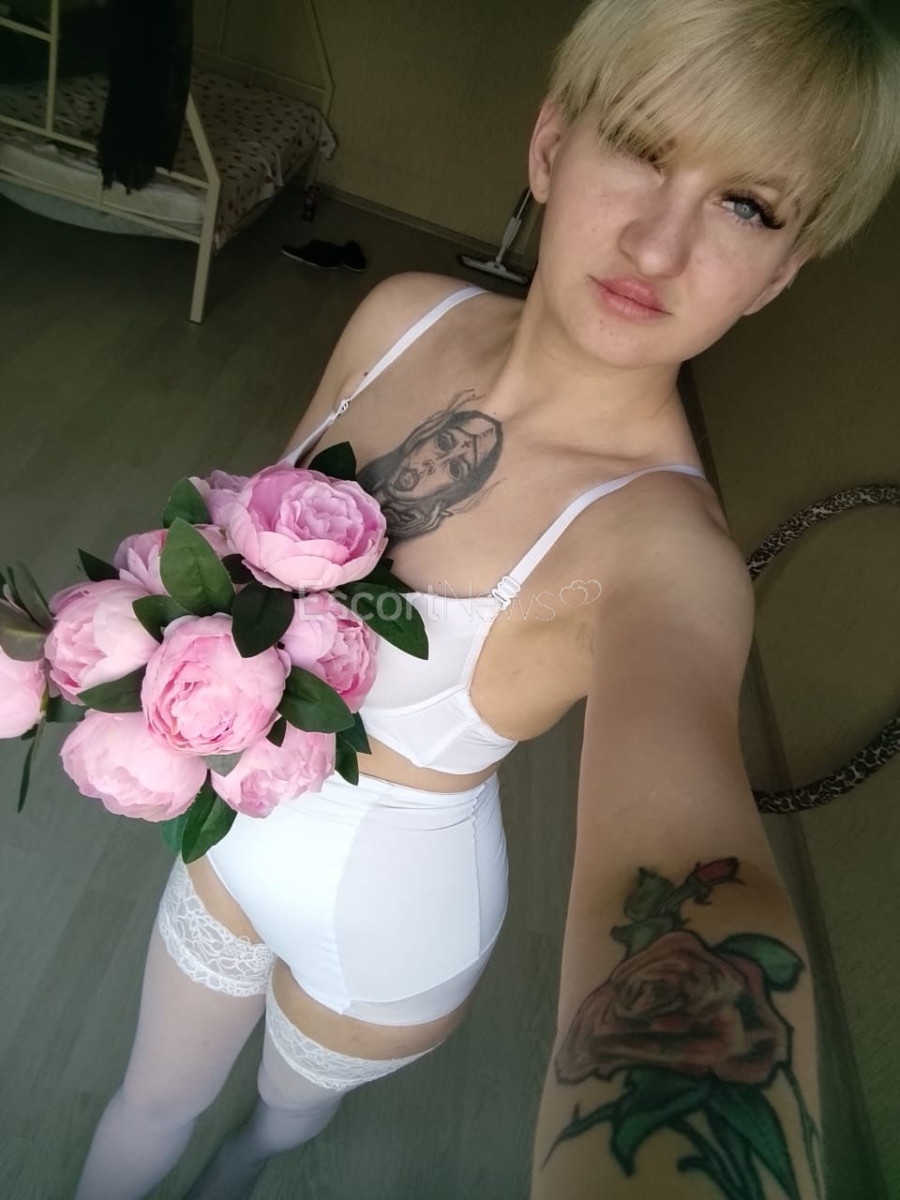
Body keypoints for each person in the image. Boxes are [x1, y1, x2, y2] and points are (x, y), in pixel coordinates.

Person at [74, 1, 900, 1197]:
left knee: (269, 1133)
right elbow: (251, 566)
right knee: (145, 1100)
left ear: (780, 273)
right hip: (232, 831)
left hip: (386, 934)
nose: (658, 243)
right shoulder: (401, 314)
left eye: (747, 205)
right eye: (644, 147)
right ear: (553, 144)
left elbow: (683, 877)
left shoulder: (665, 553)